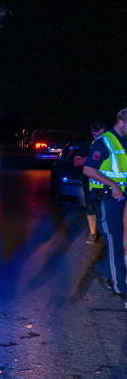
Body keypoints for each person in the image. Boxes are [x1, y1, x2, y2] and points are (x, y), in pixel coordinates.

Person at [82, 109, 127, 300]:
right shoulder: (104, 142)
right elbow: (88, 169)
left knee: (121, 242)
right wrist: (113, 185)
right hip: (108, 200)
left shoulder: (124, 141)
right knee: (115, 241)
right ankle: (120, 287)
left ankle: (104, 269)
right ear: (121, 121)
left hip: (122, 200)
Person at [74, 121, 106, 243]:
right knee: (91, 208)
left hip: (107, 183)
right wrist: (91, 155)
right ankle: (93, 233)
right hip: (90, 183)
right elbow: (76, 163)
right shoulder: (86, 145)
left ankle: (108, 232)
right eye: (94, 135)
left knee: (108, 208)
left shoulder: (112, 145)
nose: (97, 137)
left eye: (100, 135)